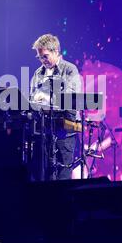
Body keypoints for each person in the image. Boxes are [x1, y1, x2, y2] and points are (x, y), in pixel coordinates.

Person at [30, 34, 82, 180]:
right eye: (40, 57)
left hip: (65, 131)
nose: (42, 60)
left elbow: (71, 97)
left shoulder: (70, 70)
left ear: (56, 52)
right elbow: (32, 98)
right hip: (44, 130)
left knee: (62, 175)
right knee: (43, 175)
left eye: (45, 56)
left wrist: (46, 99)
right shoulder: (37, 73)